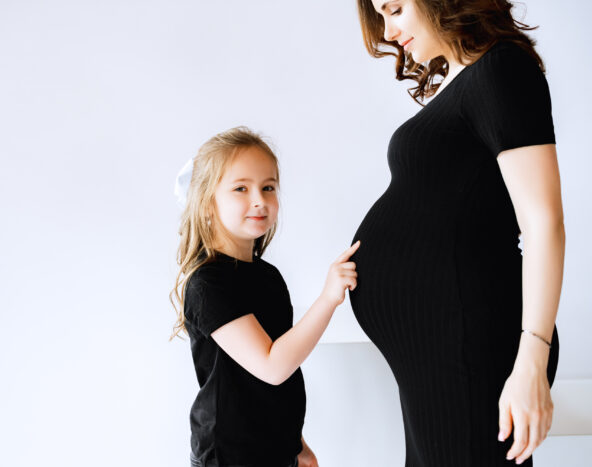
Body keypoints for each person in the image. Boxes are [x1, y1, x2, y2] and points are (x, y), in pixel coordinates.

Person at [350, 0, 564, 465]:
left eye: (395, 9)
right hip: (439, 353)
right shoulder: (464, 80)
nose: (388, 31)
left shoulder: (501, 69)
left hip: (470, 349)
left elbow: (543, 222)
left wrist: (533, 359)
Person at [170, 126, 360, 467]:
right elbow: (272, 366)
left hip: (274, 451)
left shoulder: (268, 277)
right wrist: (328, 298)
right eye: (241, 188)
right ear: (207, 203)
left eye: (268, 187)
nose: (259, 199)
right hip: (230, 456)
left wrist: (297, 445)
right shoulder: (209, 284)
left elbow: (276, 377)